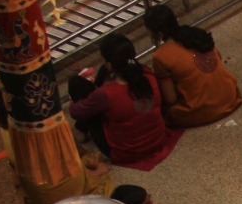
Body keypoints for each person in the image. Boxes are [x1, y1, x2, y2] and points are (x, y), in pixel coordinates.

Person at [67, 33, 181, 168]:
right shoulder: (148, 73)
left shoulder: (106, 93)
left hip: (127, 153)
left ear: (109, 64)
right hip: (158, 140)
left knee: (76, 83)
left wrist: (72, 101)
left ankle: (81, 131)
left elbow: (76, 112)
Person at [145, 4, 242, 128]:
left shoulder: (160, 55)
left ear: (158, 34)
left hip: (201, 111)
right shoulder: (198, 35)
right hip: (230, 98)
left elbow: (170, 99)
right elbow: (218, 59)